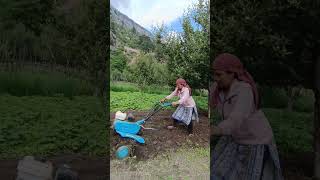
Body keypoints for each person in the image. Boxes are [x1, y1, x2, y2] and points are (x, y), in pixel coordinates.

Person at [210, 53, 283, 180]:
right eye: (214, 74)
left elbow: (237, 118)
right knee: (216, 171)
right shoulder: (217, 88)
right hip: (234, 137)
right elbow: (209, 103)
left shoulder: (244, 90)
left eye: (219, 74)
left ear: (232, 73)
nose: (215, 78)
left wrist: (216, 129)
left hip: (255, 141)